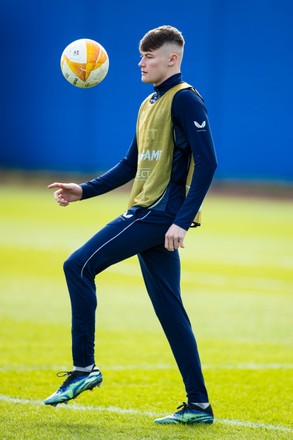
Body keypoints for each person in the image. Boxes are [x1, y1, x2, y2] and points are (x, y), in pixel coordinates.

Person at [45, 25, 217, 425]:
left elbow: (208, 162)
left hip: (157, 214)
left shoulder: (186, 100)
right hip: (152, 213)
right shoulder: (147, 104)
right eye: (141, 56)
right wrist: (83, 190)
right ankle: (200, 406)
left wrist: (182, 222)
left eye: (149, 57)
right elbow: (129, 164)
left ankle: (84, 369)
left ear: (172, 59)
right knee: (171, 312)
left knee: (77, 266)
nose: (140, 63)